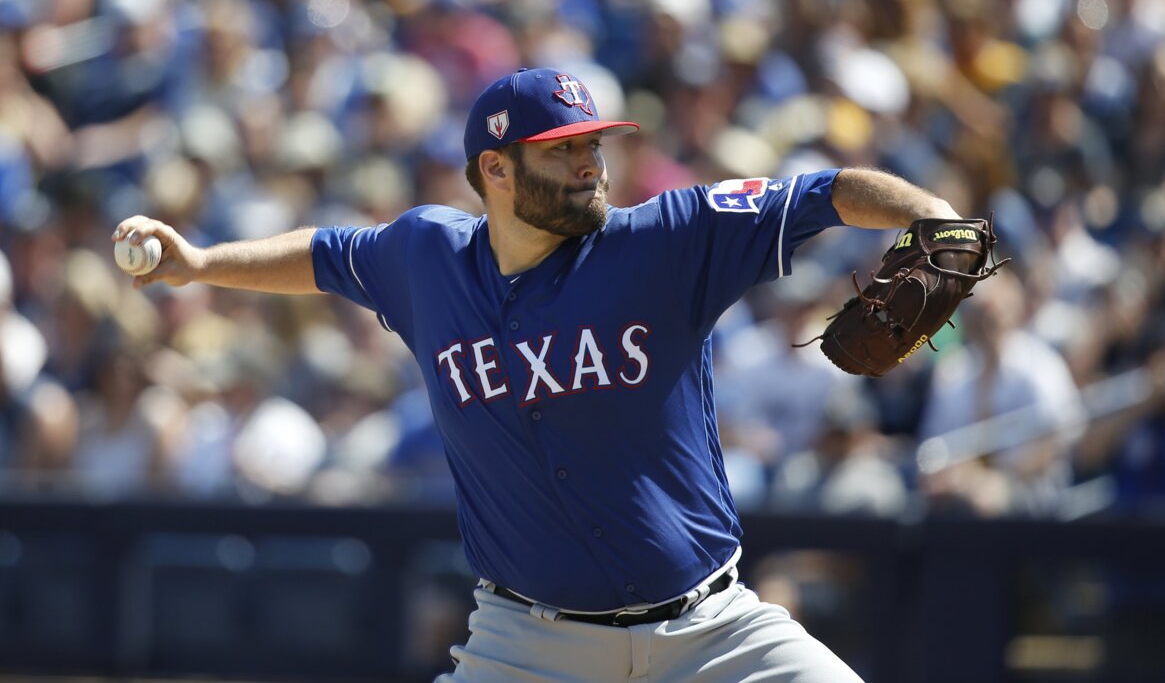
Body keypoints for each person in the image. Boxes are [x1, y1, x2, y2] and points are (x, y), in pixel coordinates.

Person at [113, 67, 961, 682]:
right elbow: (324, 254)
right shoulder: (425, 257)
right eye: (563, 150)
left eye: (593, 142)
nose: (591, 162)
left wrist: (933, 218)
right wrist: (199, 265)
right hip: (528, 646)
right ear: (495, 169)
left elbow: (830, 190)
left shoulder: (665, 238)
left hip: (711, 632)